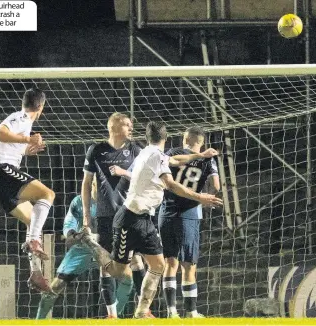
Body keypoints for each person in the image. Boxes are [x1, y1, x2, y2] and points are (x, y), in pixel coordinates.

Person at [73, 121, 223, 319]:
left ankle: (142, 312)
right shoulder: (155, 155)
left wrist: (200, 155)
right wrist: (200, 197)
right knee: (118, 270)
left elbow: (176, 160)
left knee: (159, 266)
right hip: (129, 219)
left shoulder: (147, 152)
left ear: (147, 137)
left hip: (145, 220)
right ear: (167, 138)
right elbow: (170, 184)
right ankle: (91, 243)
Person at [0, 88, 54, 292]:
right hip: (0, 171)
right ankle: (33, 242)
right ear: (41, 107)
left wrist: (27, 150)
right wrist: (28, 139)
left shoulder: (23, 123)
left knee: (33, 220)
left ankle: (36, 273)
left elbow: (9, 145)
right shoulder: (21, 117)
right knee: (48, 194)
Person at [81, 112, 145, 318]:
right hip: (106, 215)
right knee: (106, 263)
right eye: (127, 125)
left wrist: (124, 173)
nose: (131, 129)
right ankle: (111, 314)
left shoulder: (135, 149)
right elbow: (85, 183)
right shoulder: (96, 150)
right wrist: (86, 215)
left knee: (136, 260)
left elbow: (148, 175)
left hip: (130, 213)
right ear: (114, 127)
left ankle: (143, 309)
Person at [158, 127, 220, 318]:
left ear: (185, 139)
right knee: (189, 265)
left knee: (170, 263)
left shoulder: (171, 153)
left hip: (166, 212)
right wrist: (204, 193)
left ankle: (171, 311)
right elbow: (216, 186)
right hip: (189, 214)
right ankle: (191, 312)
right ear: (201, 142)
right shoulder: (207, 158)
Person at [36, 177, 99, 319]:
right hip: (82, 248)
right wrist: (70, 234)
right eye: (95, 185)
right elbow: (69, 222)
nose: (98, 189)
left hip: (106, 247)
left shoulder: (114, 200)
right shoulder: (79, 201)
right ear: (91, 184)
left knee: (126, 277)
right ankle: (39, 320)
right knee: (56, 286)